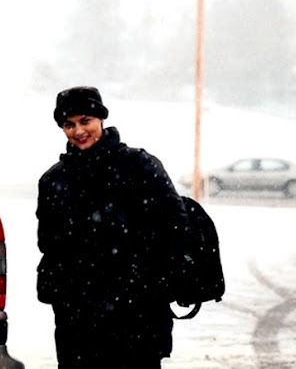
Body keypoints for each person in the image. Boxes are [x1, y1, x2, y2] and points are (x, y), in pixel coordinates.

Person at [35, 86, 190, 368]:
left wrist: (144, 279)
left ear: (101, 119)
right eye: (69, 124)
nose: (78, 131)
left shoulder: (139, 166)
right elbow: (49, 243)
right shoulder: (53, 181)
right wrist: (65, 291)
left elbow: (175, 225)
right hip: (78, 318)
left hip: (136, 313)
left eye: (85, 121)